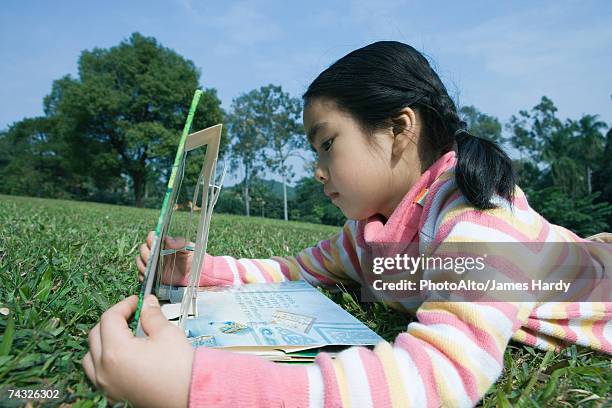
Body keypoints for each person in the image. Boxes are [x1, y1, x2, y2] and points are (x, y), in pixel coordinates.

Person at [83, 41, 611, 407]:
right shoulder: (374, 233)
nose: (317, 170)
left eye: (328, 143)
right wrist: (198, 268)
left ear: (399, 127)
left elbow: (438, 379)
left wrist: (194, 385)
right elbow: (296, 269)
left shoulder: (481, 220)